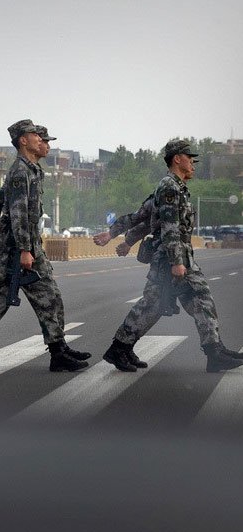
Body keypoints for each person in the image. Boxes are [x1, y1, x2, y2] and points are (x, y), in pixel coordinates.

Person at [0, 120, 90, 372]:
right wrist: (25, 249)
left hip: (27, 244)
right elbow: (18, 212)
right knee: (16, 298)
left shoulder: (30, 170)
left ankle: (57, 349)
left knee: (34, 297)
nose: (41, 141)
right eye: (36, 136)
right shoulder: (20, 171)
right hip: (15, 247)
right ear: (23, 140)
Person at [101, 139, 243, 373]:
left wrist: (125, 239)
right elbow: (168, 226)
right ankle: (213, 351)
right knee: (193, 299)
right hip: (172, 258)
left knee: (162, 303)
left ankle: (121, 348)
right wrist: (177, 262)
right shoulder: (169, 187)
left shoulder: (173, 187)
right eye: (190, 158)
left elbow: (144, 218)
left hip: (173, 256)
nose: (194, 164)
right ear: (177, 159)